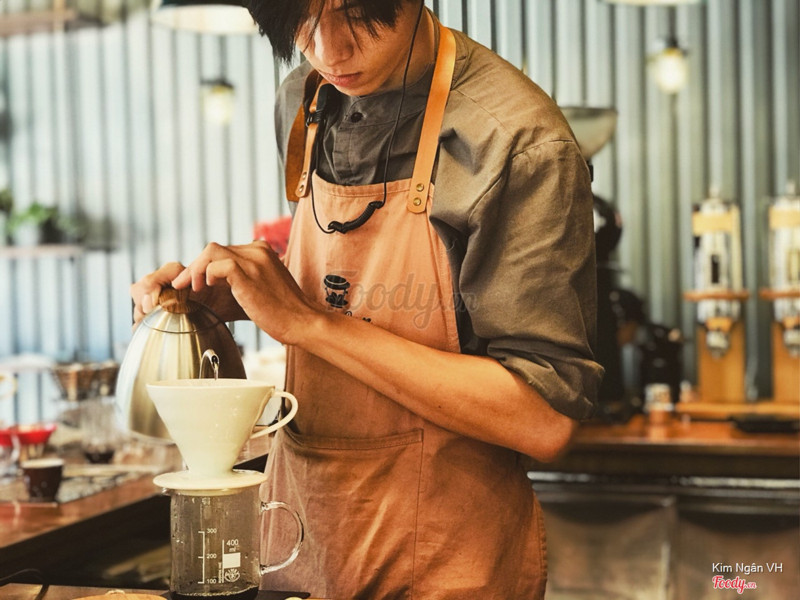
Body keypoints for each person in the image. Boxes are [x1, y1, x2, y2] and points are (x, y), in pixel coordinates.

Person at [130, 0, 602, 597]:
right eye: (299, 21)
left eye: (355, 12)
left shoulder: (514, 140)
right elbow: (350, 293)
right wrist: (242, 298)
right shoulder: (305, 100)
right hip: (303, 546)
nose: (330, 51)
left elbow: (544, 418)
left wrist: (309, 323)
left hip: (444, 562)